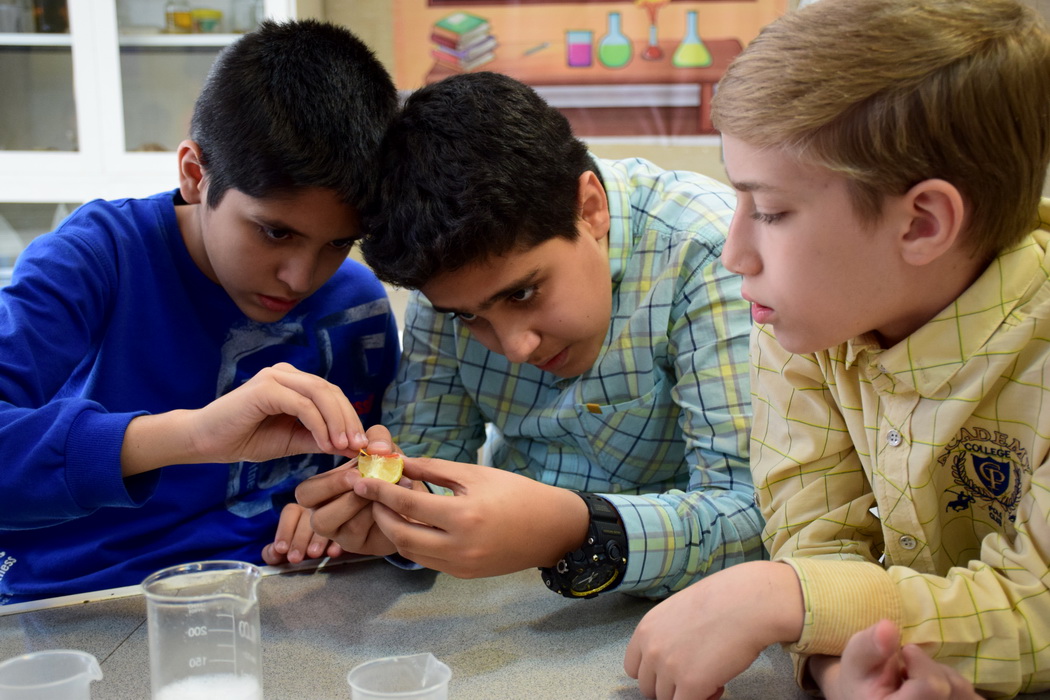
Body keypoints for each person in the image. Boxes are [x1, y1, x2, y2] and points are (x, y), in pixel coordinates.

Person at [623, 0, 1050, 697]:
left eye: (769, 212)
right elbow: (815, 540)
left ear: (922, 222)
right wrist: (839, 670)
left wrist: (781, 597)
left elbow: (1036, 606)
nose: (734, 253)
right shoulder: (808, 322)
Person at [296, 71, 763, 600]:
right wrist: (394, 517)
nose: (516, 347)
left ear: (590, 210)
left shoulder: (710, 252)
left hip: (694, 608)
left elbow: (755, 512)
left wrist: (572, 528)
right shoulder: (448, 290)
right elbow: (426, 458)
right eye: (471, 318)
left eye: (523, 294)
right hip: (513, 600)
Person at [0, 19, 401, 604]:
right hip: (87, 602)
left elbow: (369, 467)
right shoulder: (94, 258)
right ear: (194, 174)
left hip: (289, 596)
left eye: (338, 243)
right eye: (273, 232)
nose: (302, 276)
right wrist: (195, 435)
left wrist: (341, 510)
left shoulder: (354, 301)